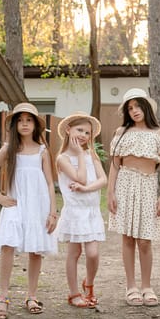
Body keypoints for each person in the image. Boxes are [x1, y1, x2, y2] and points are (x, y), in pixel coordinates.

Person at [0, 102, 58, 319]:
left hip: (38, 206)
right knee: (8, 245)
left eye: (29, 120)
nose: (25, 124)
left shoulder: (43, 151)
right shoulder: (8, 149)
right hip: (15, 204)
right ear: (15, 125)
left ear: (35, 125)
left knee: (35, 250)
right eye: (20, 120)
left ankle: (31, 295)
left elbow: (49, 182)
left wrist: (52, 212)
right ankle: (3, 296)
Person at [107, 88, 160, 306]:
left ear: (146, 107)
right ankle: (131, 286)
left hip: (147, 184)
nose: (134, 111)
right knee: (127, 237)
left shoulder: (159, 134)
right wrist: (110, 193)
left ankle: (146, 286)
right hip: (125, 183)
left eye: (137, 106)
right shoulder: (121, 133)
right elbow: (115, 166)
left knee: (145, 240)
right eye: (130, 107)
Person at [55, 112, 107, 308]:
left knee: (93, 253)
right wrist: (78, 155)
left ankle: (89, 284)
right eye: (79, 130)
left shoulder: (91, 154)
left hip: (91, 210)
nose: (84, 135)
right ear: (68, 130)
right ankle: (74, 293)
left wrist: (86, 189)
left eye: (87, 132)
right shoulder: (63, 158)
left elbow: (103, 179)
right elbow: (80, 178)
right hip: (75, 211)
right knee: (74, 253)